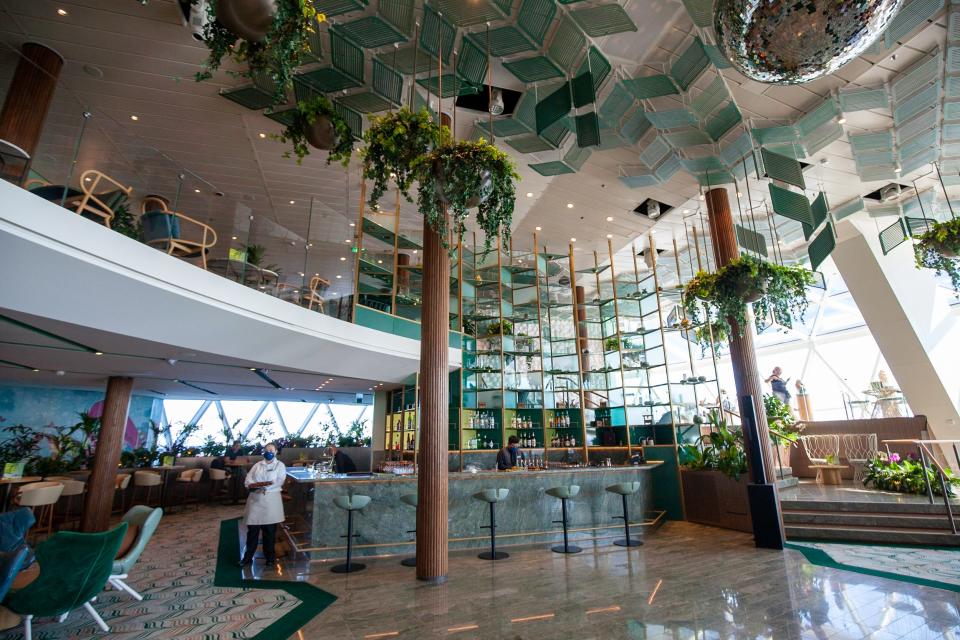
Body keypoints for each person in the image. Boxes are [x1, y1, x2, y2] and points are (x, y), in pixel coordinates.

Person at [239, 443, 286, 567]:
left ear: (276, 452)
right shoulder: (257, 465)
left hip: (271, 502)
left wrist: (265, 488)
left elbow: (280, 480)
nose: (268, 452)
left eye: (271, 450)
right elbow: (248, 479)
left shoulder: (280, 465)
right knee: (252, 532)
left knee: (269, 532)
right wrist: (253, 486)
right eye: (266, 450)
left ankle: (270, 558)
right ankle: (247, 558)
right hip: (256, 500)